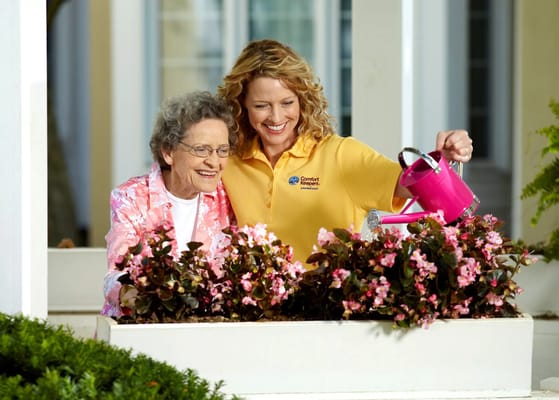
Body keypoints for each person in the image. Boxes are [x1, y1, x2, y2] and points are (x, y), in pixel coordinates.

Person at [217, 39, 473, 265]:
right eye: (261, 105)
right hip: (253, 316)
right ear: (242, 106)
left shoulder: (341, 155)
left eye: (287, 103)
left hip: (326, 315)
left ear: (303, 100)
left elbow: (413, 186)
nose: (276, 117)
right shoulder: (227, 161)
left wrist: (446, 158)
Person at [101, 91, 236, 317]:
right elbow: (116, 274)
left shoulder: (227, 197)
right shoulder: (132, 197)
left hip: (206, 330)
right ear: (168, 152)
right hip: (141, 328)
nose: (214, 162)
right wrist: (134, 296)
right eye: (201, 149)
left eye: (222, 150)